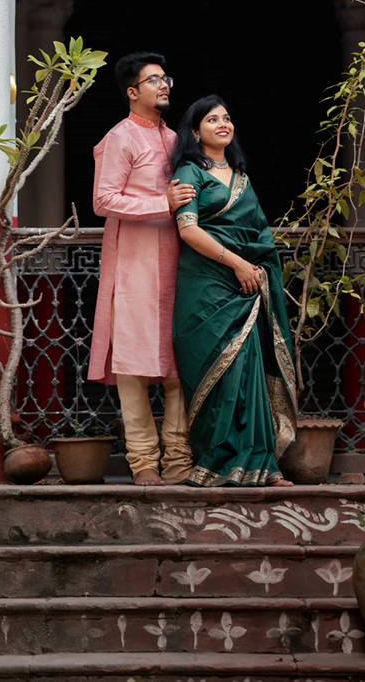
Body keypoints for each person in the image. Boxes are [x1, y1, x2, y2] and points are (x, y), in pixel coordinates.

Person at [170, 95, 297, 487]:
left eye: (227, 118)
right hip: (207, 286)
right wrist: (237, 263)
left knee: (250, 373)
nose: (223, 124)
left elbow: (260, 233)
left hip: (248, 287)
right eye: (212, 120)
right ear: (195, 131)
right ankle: (217, 462)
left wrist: (255, 266)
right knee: (221, 374)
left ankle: (263, 465)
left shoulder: (242, 178)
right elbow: (188, 230)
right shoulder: (191, 172)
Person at [87, 51, 196, 485]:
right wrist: (161, 203)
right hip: (133, 263)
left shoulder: (177, 139)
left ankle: (179, 459)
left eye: (165, 78)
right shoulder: (121, 138)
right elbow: (103, 200)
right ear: (133, 92)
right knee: (133, 367)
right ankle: (143, 462)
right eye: (153, 80)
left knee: (177, 365)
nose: (164, 84)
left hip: (179, 262)